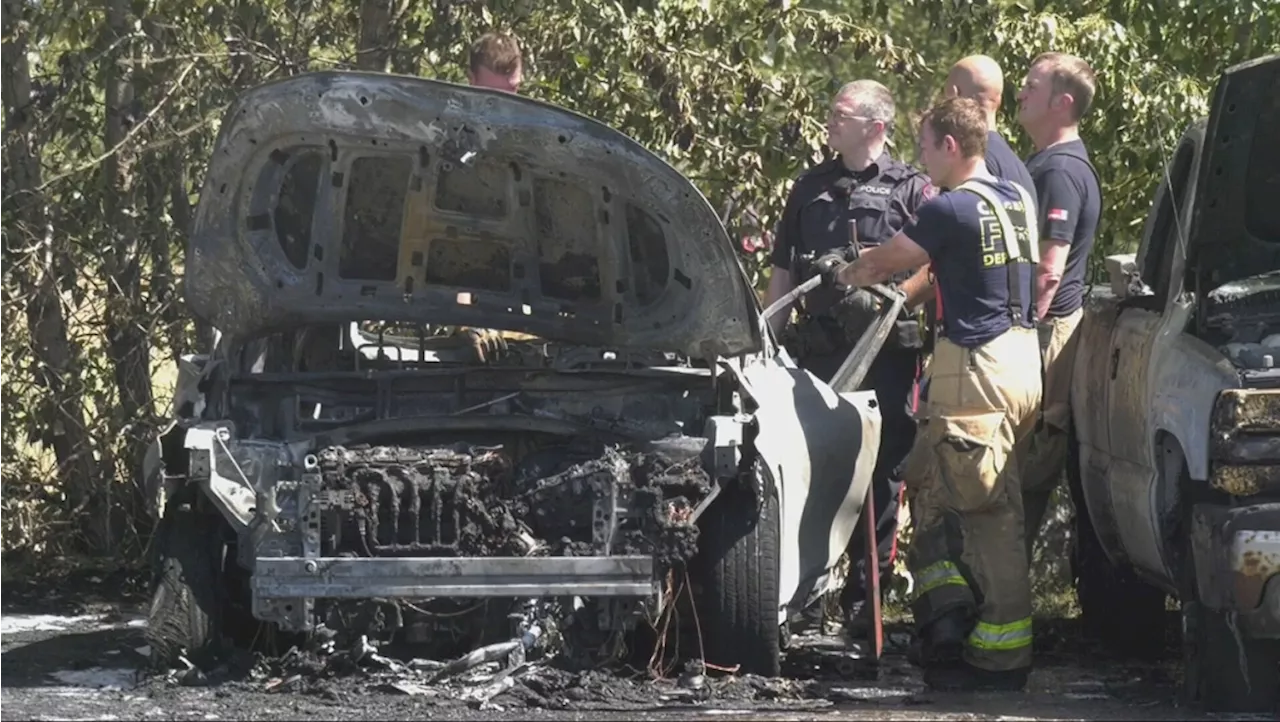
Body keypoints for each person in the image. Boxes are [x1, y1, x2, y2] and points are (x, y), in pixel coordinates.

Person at [818, 96, 1042, 691]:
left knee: (990, 513)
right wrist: (903, 299)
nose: (918, 157)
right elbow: (950, 270)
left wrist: (843, 272)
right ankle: (947, 618)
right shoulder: (1013, 198)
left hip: (976, 372)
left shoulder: (951, 207)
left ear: (950, 146)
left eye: (923, 145)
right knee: (931, 484)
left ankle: (1001, 659)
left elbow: (887, 261)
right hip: (1021, 362)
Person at [763, 79, 936, 638]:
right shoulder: (808, 187)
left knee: (883, 473)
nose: (829, 123)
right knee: (810, 468)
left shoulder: (913, 189)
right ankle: (810, 593)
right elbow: (784, 272)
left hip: (886, 356)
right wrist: (766, 342)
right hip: (819, 354)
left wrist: (891, 301)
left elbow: (936, 267)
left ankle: (870, 597)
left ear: (875, 126)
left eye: (841, 114)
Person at [1015, 52, 1102, 553]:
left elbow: (1048, 271)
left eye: (1032, 86)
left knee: (1024, 467)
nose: (1022, 93)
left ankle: (999, 611)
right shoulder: (1047, 163)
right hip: (1042, 332)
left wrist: (1013, 336)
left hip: (1043, 335)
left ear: (1062, 102)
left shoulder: (1060, 172)